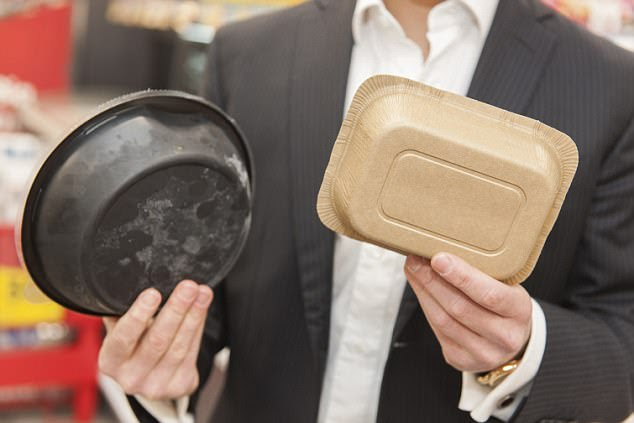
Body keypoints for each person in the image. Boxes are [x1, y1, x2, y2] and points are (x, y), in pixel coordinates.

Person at [97, 0, 634, 422]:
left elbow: (620, 328)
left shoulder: (609, 85)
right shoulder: (248, 53)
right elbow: (205, 271)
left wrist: (523, 349)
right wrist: (159, 357)